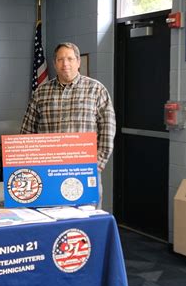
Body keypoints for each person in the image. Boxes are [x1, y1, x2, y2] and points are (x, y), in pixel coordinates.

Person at [20, 42, 116, 207]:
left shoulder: (96, 90)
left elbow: (107, 130)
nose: (65, 64)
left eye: (70, 59)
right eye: (60, 59)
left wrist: (98, 164)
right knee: (49, 217)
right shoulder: (41, 93)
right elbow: (27, 132)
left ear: (78, 62)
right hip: (48, 171)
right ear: (55, 63)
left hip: (84, 170)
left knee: (87, 220)